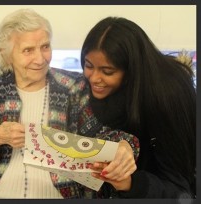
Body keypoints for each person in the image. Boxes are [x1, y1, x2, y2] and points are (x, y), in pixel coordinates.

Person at [0, 9, 139, 199]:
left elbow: (104, 134)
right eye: (28, 50)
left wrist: (124, 146)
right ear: (6, 53)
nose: (40, 59)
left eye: (45, 46)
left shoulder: (73, 88)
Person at [81, 17, 196, 198]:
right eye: (88, 66)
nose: (94, 78)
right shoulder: (86, 90)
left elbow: (179, 188)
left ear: (131, 70)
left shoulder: (167, 96)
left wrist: (130, 183)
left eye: (107, 71)